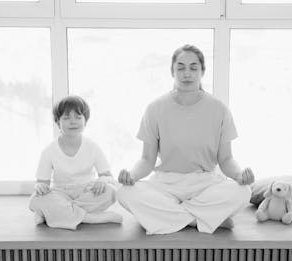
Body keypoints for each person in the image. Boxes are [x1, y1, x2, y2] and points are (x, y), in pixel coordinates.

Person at [117, 44, 254, 235]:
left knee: (243, 191)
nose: (186, 73)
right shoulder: (155, 108)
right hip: (166, 184)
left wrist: (240, 175)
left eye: (193, 67)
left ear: (202, 71)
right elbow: (147, 160)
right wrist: (131, 176)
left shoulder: (219, 109)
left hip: (205, 183)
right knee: (124, 192)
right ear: (172, 71)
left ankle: (171, 218)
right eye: (180, 67)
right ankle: (201, 219)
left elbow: (226, 159)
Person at [29, 96, 122, 230]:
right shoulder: (49, 151)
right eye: (66, 118)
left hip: (86, 191)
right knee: (35, 199)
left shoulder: (93, 147)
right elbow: (42, 183)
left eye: (78, 117)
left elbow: (108, 176)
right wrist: (39, 187)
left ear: (85, 121)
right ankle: (89, 218)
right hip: (61, 193)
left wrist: (102, 180)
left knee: (111, 191)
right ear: (57, 122)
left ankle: (53, 214)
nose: (73, 122)